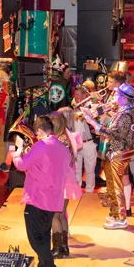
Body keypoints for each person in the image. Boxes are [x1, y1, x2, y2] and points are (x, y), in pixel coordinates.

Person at [11, 116, 69, 267]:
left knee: (36, 238)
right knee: (44, 235)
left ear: (41, 132)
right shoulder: (62, 147)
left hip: (38, 198)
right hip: (53, 198)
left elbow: (21, 165)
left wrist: (17, 152)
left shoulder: (41, 145)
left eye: (36, 133)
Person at [83, 82, 134, 229]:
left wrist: (91, 121)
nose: (114, 97)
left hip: (118, 152)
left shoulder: (125, 114)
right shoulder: (129, 109)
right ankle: (115, 214)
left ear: (123, 98)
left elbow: (112, 132)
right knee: (111, 184)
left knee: (115, 186)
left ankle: (121, 218)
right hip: (117, 150)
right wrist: (102, 110)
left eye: (117, 95)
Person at [49, 110, 83, 258]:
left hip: (59, 181)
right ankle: (64, 247)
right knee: (62, 215)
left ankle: (57, 248)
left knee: (54, 216)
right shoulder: (67, 136)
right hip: (67, 179)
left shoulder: (59, 140)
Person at [71, 87, 98, 192]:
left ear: (84, 96)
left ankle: (89, 191)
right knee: (77, 169)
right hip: (76, 144)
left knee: (90, 170)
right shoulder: (73, 108)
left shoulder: (91, 107)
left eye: (78, 94)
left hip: (88, 143)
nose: (76, 97)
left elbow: (97, 121)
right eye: (75, 94)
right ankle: (77, 190)